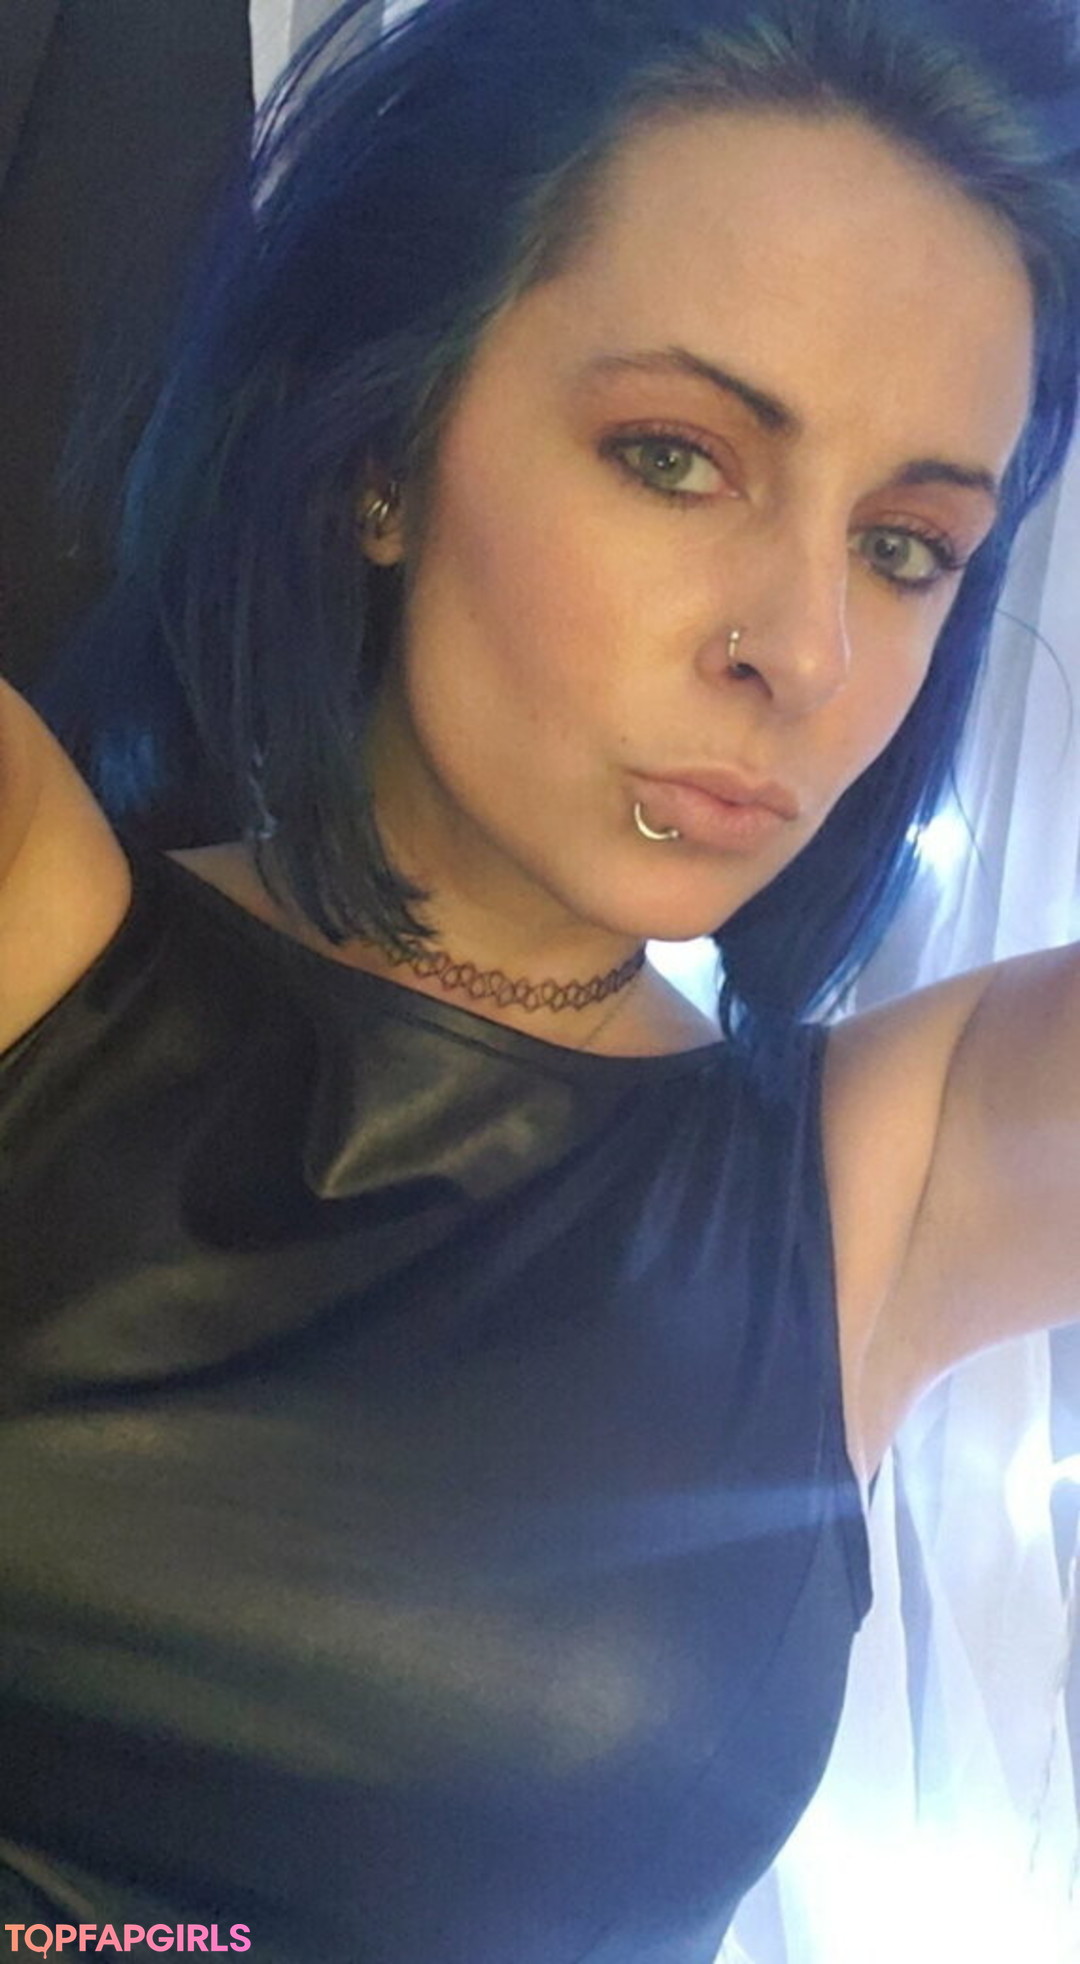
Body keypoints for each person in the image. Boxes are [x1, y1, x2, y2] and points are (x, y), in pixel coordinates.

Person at [2, 0, 1079, 1958]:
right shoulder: (36, 943)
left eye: (910, 546)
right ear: (385, 450)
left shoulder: (884, 1188)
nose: (806, 650)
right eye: (677, 456)